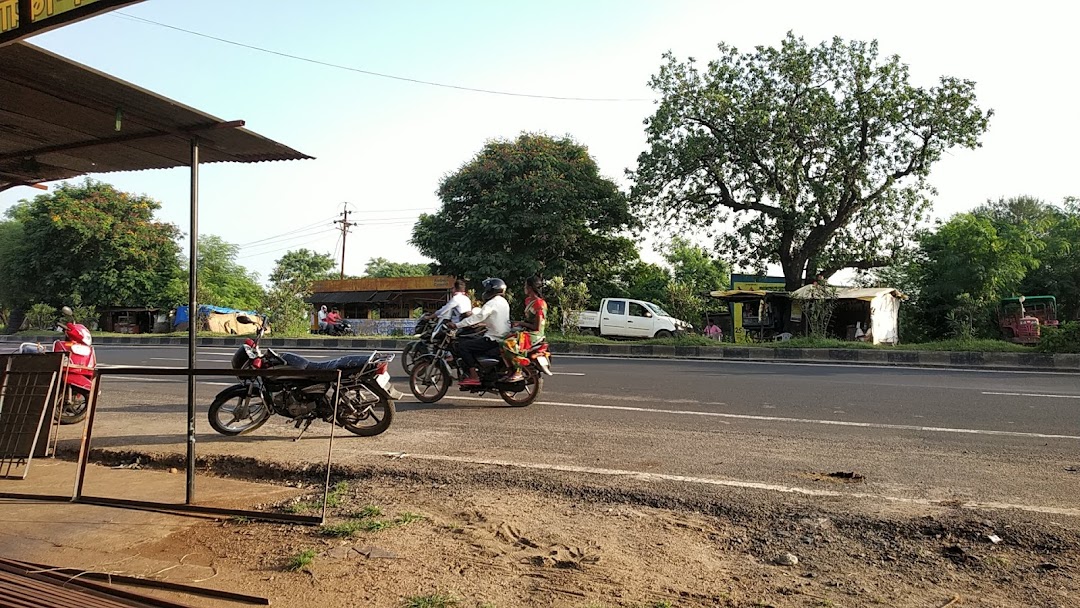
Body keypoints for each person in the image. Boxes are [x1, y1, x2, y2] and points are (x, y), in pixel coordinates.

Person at [449, 277, 510, 386]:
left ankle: (474, 376)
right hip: (503, 336)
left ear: (492, 290)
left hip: (493, 338)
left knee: (464, 346)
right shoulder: (503, 302)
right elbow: (493, 319)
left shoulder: (491, 303)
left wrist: (457, 325)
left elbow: (478, 317)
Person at [502, 276, 547, 382]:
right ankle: (509, 370)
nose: (524, 288)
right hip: (527, 331)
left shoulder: (539, 303)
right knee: (502, 339)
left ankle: (518, 371)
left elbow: (537, 327)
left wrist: (522, 323)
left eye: (525, 285)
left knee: (507, 343)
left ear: (530, 287)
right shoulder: (528, 301)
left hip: (534, 334)